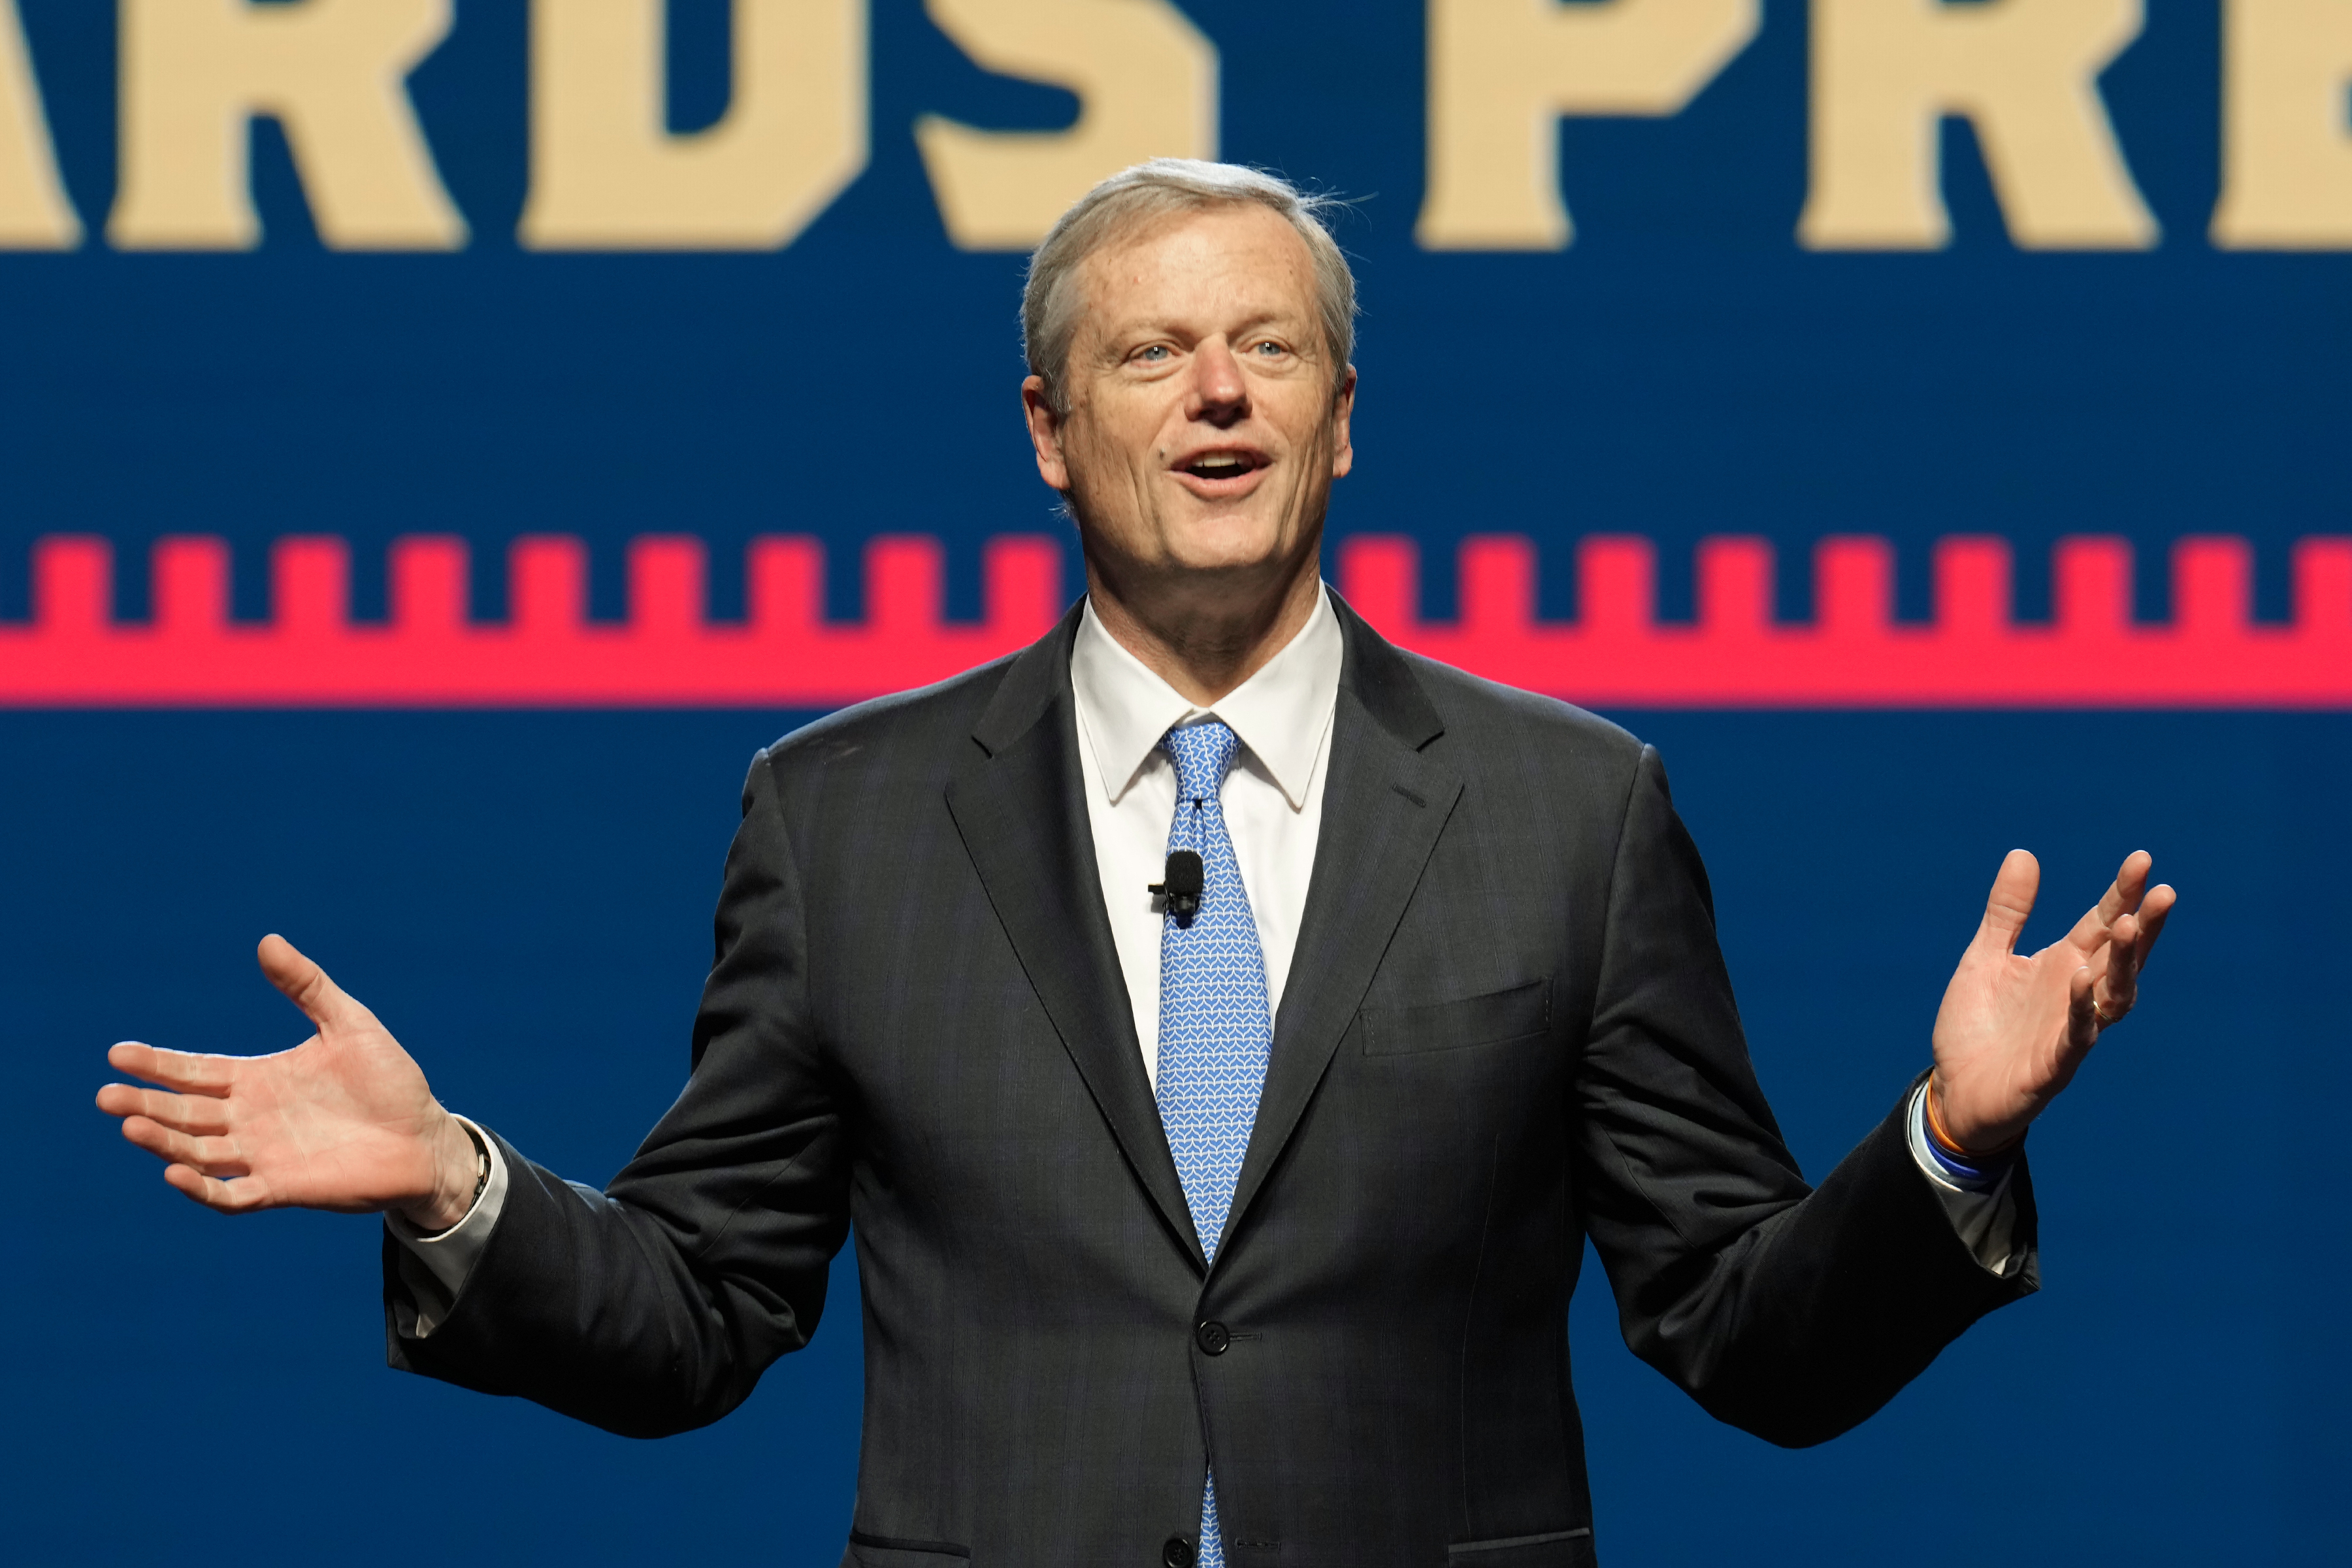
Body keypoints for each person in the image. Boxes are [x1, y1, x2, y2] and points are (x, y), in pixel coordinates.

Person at [96, 161, 2174, 1568]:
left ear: (1344, 421)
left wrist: (1946, 1149)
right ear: (1045, 428)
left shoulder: (1576, 808)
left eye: (1268, 351)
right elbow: (701, 1314)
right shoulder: (842, 817)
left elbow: (1746, 1338)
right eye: (1151, 356)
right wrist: (460, 1181)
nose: (1215, 398)